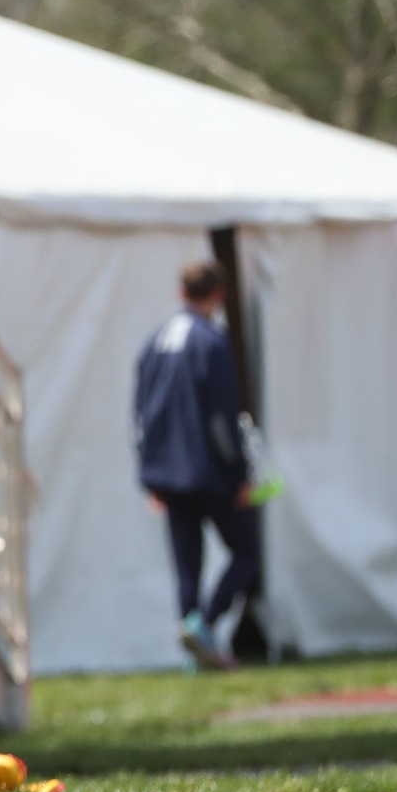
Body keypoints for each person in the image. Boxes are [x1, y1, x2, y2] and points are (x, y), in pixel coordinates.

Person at [134, 260, 263, 671]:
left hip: (167, 475)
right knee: (246, 551)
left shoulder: (154, 342)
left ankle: (194, 654)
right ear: (219, 294)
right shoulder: (212, 341)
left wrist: (148, 474)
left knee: (187, 565)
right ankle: (202, 624)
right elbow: (222, 417)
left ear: (181, 291)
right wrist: (240, 471)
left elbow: (139, 417)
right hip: (209, 471)